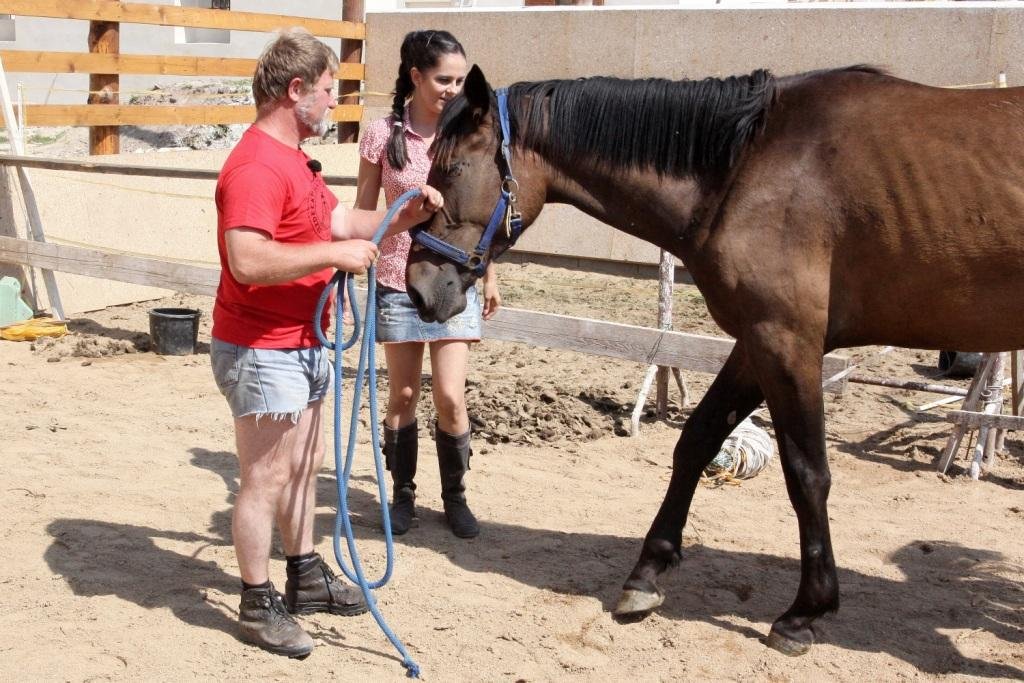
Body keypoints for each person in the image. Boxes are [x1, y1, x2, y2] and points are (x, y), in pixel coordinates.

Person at [210, 27, 444, 659]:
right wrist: (336, 253)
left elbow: (341, 221)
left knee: (304, 464)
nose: (331, 102)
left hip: (301, 341)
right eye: (326, 91)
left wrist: (405, 214)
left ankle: (304, 572)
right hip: (263, 345)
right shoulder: (258, 165)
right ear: (295, 91)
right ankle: (258, 603)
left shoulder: (293, 161)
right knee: (264, 477)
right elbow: (248, 258)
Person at [355, 29, 500, 541]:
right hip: (396, 277)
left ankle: (456, 497)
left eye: (460, 79)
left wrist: (490, 273)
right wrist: (396, 219)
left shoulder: (470, 130)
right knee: (402, 394)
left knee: (450, 397)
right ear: (416, 76)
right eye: (443, 79)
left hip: (454, 281)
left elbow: (480, 213)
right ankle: (403, 495)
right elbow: (364, 211)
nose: (452, 88)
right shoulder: (380, 135)